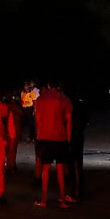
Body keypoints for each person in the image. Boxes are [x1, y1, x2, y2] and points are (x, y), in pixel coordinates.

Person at [33, 79, 73, 208]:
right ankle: (63, 200)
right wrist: (68, 139)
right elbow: (69, 121)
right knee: (60, 169)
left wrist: (39, 137)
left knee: (46, 168)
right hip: (60, 137)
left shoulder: (41, 99)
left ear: (48, 85)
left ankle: (44, 200)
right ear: (59, 86)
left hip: (45, 137)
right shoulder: (64, 99)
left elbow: (38, 120)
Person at [3, 91, 23, 174]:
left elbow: (21, 113)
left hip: (13, 130)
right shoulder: (8, 106)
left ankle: (11, 164)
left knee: (11, 149)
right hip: (10, 130)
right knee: (11, 149)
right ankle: (10, 165)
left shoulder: (10, 106)